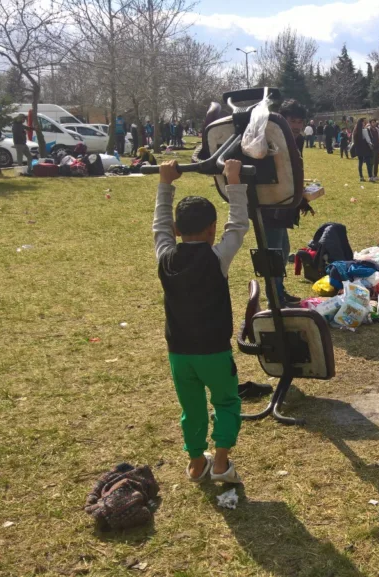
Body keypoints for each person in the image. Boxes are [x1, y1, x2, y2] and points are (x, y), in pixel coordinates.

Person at [152, 157, 248, 484]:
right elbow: (238, 225)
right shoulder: (217, 258)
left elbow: (159, 225)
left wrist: (166, 183)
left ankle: (196, 464)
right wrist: (233, 180)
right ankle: (220, 462)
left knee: (191, 408)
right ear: (211, 230)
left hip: (179, 353)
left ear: (176, 231)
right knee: (226, 401)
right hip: (215, 352)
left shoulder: (165, 256)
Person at [260, 99, 313, 307]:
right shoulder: (270, 139)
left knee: (283, 247)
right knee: (274, 251)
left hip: (285, 203)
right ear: (283, 120)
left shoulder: (297, 140)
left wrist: (301, 198)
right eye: (292, 120)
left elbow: (294, 172)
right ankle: (275, 298)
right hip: (269, 203)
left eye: (300, 121)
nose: (297, 126)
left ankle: (279, 290)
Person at [353, 118, 374, 182]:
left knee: (360, 163)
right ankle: (370, 176)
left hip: (358, 149)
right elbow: (368, 140)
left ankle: (361, 176)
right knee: (368, 163)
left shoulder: (355, 131)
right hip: (365, 148)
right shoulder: (364, 130)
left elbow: (353, 141)